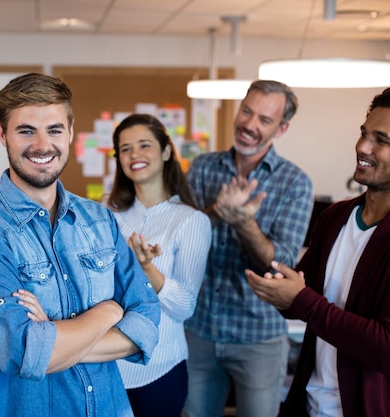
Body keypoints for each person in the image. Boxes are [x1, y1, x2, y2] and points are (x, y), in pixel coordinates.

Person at [0, 72, 161, 417]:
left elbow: (148, 320)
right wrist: (110, 311)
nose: (42, 145)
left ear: (71, 133)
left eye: (55, 130)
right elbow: (29, 351)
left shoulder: (99, 220)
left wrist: (60, 339)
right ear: (2, 134)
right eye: (26, 130)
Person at [245, 87, 390, 417]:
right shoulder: (334, 217)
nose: (362, 147)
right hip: (309, 404)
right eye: (363, 133)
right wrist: (278, 289)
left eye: (382, 140)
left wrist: (303, 302)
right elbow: (300, 301)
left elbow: (385, 347)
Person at [183, 80, 314, 417]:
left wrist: (243, 222)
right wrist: (218, 211)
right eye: (247, 111)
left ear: (281, 128)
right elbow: (183, 237)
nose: (250, 125)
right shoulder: (202, 167)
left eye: (264, 120)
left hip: (258, 336)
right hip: (198, 329)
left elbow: (280, 263)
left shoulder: (295, 183)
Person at [105, 113, 211, 417]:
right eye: (125, 149)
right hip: (106, 366)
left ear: (166, 152)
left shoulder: (191, 221)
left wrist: (147, 268)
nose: (134, 155)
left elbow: (183, 307)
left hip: (159, 369)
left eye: (144, 145)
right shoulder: (106, 216)